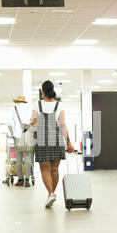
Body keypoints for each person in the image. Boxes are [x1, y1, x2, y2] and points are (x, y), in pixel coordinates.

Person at [31, 80, 74, 208]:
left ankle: (50, 193)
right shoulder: (59, 105)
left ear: (42, 91)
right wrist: (69, 143)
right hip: (56, 140)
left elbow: (33, 123)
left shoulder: (37, 105)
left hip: (42, 140)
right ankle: (52, 194)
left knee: (45, 169)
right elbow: (62, 125)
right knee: (55, 169)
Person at [8, 95, 34, 187]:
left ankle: (20, 179)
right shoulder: (30, 108)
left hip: (18, 136)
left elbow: (10, 124)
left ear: (17, 102)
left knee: (18, 158)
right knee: (28, 157)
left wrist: (12, 134)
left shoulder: (14, 109)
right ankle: (27, 180)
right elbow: (33, 121)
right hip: (29, 136)